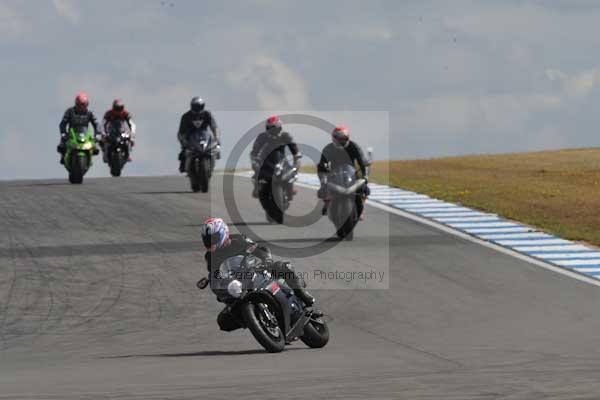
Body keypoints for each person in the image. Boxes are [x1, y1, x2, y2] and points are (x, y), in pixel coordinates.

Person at [200, 217, 315, 311]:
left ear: (223, 232)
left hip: (255, 270)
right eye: (207, 239)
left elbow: (260, 248)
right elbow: (215, 273)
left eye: (213, 238)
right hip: (236, 283)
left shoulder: (239, 239)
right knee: (224, 319)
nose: (210, 242)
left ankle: (302, 294)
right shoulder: (210, 256)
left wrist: (267, 260)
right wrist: (221, 288)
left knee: (283, 267)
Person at [317, 125, 370, 217]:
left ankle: (362, 208)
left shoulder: (354, 146)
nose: (341, 141)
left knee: (364, 188)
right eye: (338, 138)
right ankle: (327, 202)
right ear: (334, 138)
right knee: (323, 189)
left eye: (343, 139)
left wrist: (365, 175)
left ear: (348, 138)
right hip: (334, 173)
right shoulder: (328, 148)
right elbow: (322, 165)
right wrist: (323, 177)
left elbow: (361, 161)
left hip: (352, 173)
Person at [250, 115, 302, 198]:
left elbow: (294, 148)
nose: (273, 129)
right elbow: (255, 150)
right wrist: (254, 159)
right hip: (265, 160)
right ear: (268, 127)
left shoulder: (285, 136)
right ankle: (257, 188)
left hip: (281, 159)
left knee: (291, 171)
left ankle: (290, 188)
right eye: (271, 127)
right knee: (257, 173)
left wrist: (297, 156)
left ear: (279, 126)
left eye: (275, 127)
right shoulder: (262, 136)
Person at [177, 97, 220, 173]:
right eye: (196, 107)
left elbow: (214, 127)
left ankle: (211, 163)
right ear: (192, 106)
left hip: (204, 136)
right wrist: (184, 142)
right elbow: (181, 132)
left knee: (216, 148)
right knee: (184, 152)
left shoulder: (207, 114)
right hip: (190, 137)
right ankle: (184, 165)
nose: (197, 109)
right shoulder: (186, 116)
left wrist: (217, 138)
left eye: (199, 107)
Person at [57, 92, 101, 164]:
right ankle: (63, 156)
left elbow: (96, 124)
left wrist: (98, 134)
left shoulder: (90, 113)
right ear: (76, 104)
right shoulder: (70, 111)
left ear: (87, 104)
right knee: (62, 144)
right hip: (72, 134)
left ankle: (90, 154)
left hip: (85, 134)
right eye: (79, 105)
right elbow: (63, 123)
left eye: (83, 105)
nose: (81, 107)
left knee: (95, 145)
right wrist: (63, 133)